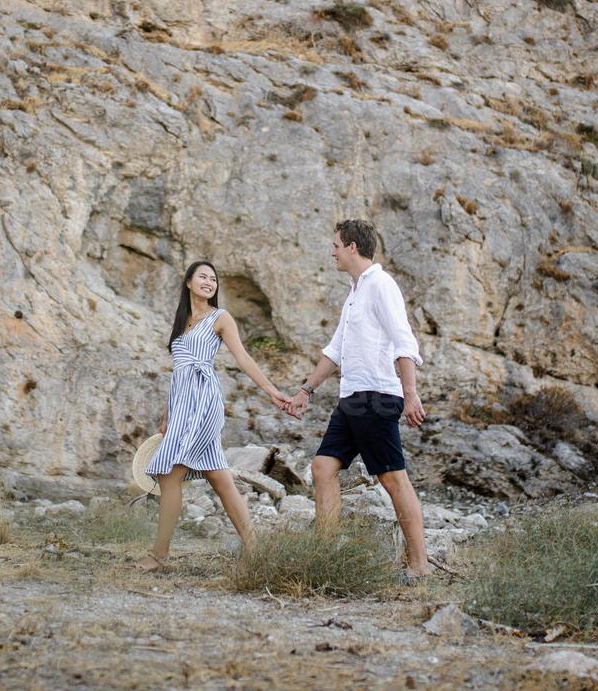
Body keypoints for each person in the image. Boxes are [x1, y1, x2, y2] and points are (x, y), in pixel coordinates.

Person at [285, 219, 431, 581]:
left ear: (352, 247)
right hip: (351, 397)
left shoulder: (381, 285)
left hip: (377, 397)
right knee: (323, 468)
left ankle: (420, 566)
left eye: (335, 245)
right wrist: (306, 390)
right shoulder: (354, 292)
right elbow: (335, 351)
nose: (331, 251)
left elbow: (404, 340)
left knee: (393, 480)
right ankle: (327, 555)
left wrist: (410, 394)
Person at [137, 260, 294, 571]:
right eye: (203, 277)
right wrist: (169, 414)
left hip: (203, 403)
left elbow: (243, 357)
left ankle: (159, 555)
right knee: (219, 478)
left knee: (170, 476)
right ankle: (255, 549)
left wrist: (271, 390)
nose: (209, 282)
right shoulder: (182, 323)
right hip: (182, 406)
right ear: (188, 283)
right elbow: (178, 373)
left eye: (213, 279)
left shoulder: (220, 318)